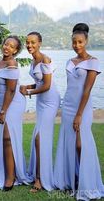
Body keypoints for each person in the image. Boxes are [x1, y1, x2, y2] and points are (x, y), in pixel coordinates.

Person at [54, 23, 104, 200]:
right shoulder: (69, 61)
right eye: (74, 42)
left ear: (86, 41)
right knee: (69, 143)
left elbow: (86, 90)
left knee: (81, 144)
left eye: (80, 42)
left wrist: (79, 114)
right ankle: (73, 180)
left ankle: (87, 183)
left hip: (82, 108)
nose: (77, 45)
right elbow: (71, 87)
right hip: (68, 106)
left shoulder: (93, 62)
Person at [20, 32, 60, 192]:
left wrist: (28, 92)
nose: (29, 45)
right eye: (27, 43)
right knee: (39, 137)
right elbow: (39, 82)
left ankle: (40, 179)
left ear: (40, 43)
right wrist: (27, 86)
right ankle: (39, 174)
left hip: (50, 100)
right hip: (41, 101)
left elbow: (47, 85)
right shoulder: (33, 60)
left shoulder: (45, 59)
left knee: (39, 138)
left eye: (33, 43)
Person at [0, 35, 31, 191]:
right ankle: (9, 171)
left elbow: (11, 89)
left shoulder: (12, 64)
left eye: (11, 46)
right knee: (6, 138)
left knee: (8, 138)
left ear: (16, 51)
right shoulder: (0, 63)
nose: (7, 47)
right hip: (3, 102)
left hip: (12, 103)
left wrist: (3, 111)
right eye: (6, 44)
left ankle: (11, 176)